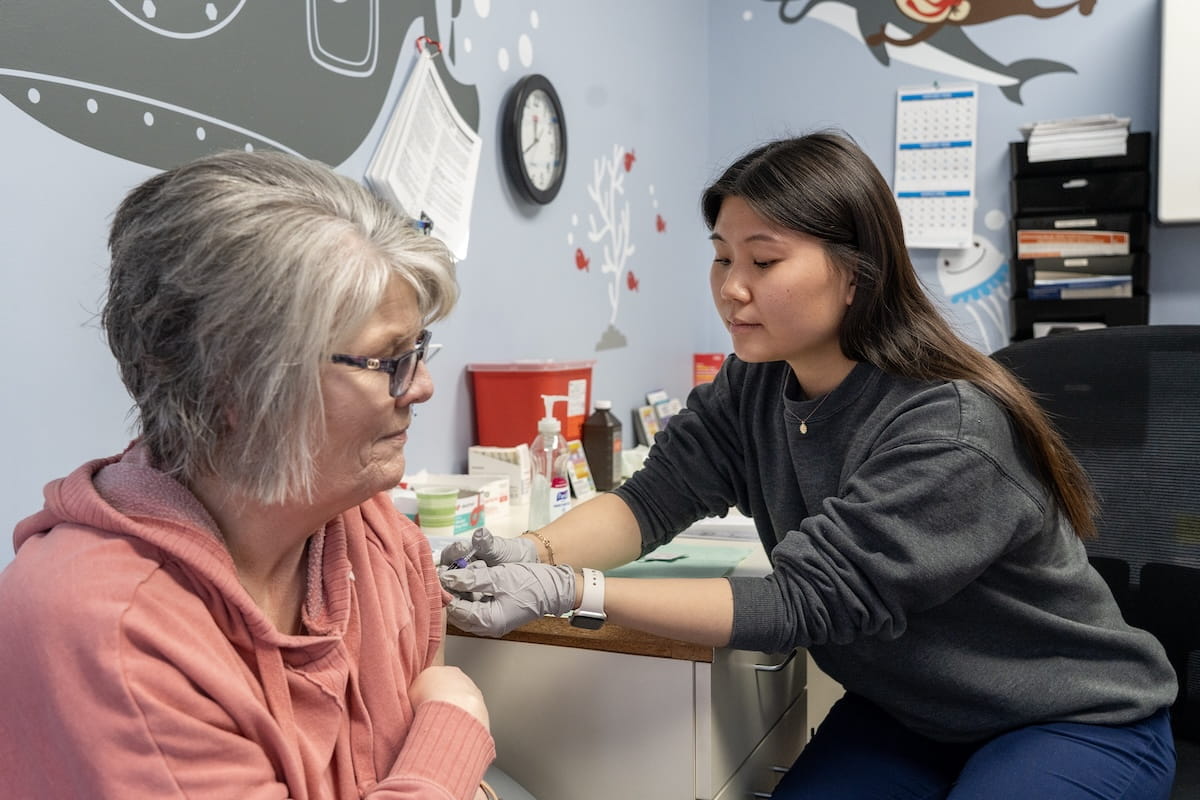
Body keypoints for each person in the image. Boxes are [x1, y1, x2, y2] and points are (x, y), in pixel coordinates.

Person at [439, 131, 1179, 798]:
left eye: (763, 260)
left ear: (857, 274)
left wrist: (571, 589)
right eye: (722, 257)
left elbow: (799, 604)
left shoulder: (946, 427)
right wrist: (530, 551)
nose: (732, 287)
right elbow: (650, 500)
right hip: (910, 715)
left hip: (1068, 717)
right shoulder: (755, 384)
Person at [0, 150, 501, 799]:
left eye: (418, 351)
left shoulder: (371, 535)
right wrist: (454, 723)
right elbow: (439, 744)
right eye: (388, 360)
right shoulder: (108, 631)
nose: (424, 387)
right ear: (241, 381)